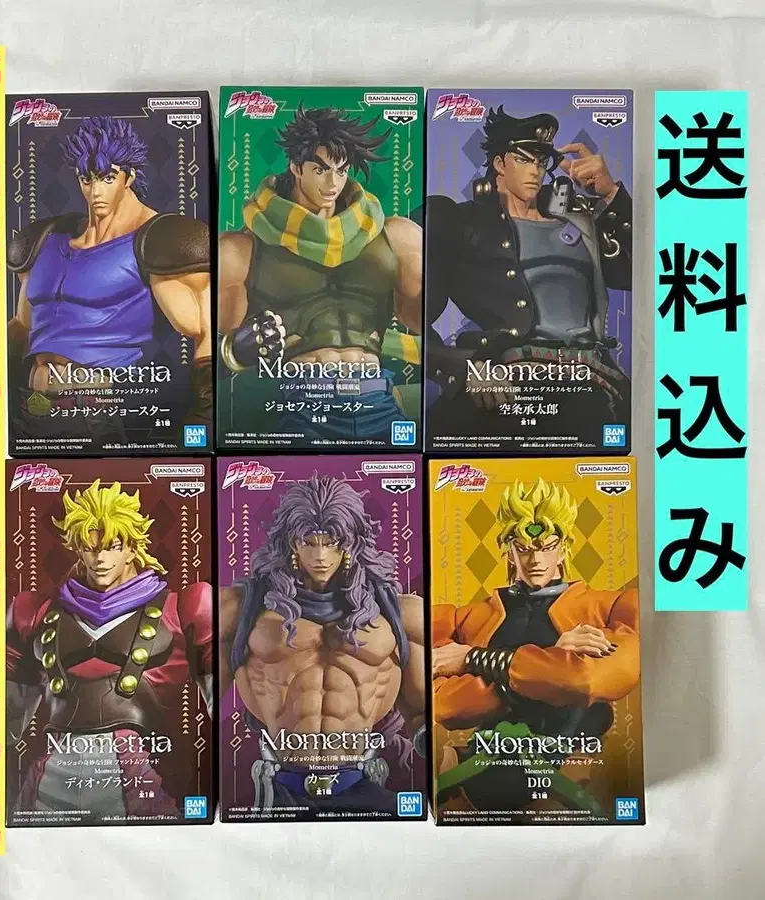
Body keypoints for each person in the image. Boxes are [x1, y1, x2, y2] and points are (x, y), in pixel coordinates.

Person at [6, 479, 213, 821]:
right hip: (51, 778)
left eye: (113, 546)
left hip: (142, 779)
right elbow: (6, 724)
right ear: (77, 549)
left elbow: (226, 712)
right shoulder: (35, 611)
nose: (100, 558)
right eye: (89, 548)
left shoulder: (184, 608)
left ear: (132, 548)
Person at [426, 106, 632, 445]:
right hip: (508, 379)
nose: (535, 170)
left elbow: (634, 275)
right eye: (523, 159)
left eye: (542, 161)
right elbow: (403, 308)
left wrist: (610, 195)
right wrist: (463, 367)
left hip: (592, 380)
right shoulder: (459, 221)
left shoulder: (580, 221)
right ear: (499, 163)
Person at [432, 478, 639, 812]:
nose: (535, 560)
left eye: (547, 547)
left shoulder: (611, 608)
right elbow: (445, 707)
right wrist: (554, 661)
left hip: (558, 788)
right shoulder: (468, 618)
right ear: (508, 550)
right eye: (524, 548)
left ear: (564, 547)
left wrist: (474, 660)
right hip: (468, 778)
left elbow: (584, 680)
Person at [220, 476, 425, 813]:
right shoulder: (242, 608)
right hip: (278, 786)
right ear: (291, 543)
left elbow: (421, 716)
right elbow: (198, 709)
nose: (320, 556)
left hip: (365, 780)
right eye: (309, 542)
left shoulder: (399, 613)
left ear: (351, 543)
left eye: (332, 542)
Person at [219, 105, 422, 442]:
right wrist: (236, 351)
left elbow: (425, 325)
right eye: (320, 169)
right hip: (303, 403)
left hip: (377, 399)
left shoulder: (396, 237)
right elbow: (208, 358)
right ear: (295, 166)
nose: (333, 183)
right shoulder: (241, 249)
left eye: (341, 171)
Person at [7, 116, 211, 449]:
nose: (96, 191)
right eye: (87, 179)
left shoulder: (160, 240)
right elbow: (22, 325)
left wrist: (204, 418)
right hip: (29, 407)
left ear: (129, 176)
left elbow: (203, 329)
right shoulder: (44, 239)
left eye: (108, 177)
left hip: (95, 411)